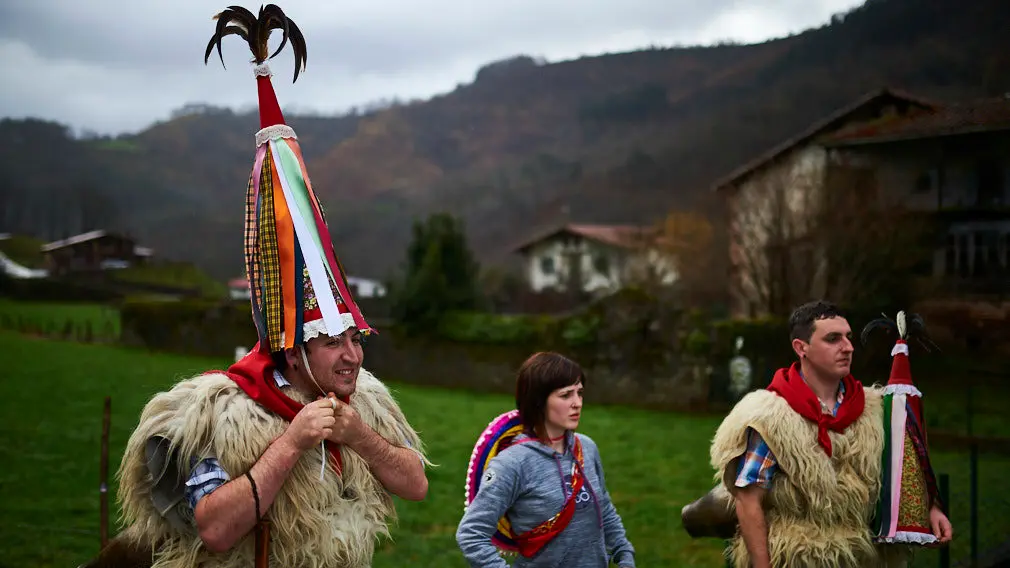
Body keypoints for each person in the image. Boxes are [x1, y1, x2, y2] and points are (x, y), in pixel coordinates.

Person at [98, 6, 430, 568]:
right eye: (332, 341)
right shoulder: (218, 414)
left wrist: (360, 438)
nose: (353, 354)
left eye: (355, 337)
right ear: (293, 348)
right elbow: (217, 529)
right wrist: (294, 441)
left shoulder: (365, 399)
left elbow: (416, 484)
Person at [706, 300, 952, 568]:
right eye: (833, 339)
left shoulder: (875, 408)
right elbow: (748, 499)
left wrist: (932, 508)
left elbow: (902, 469)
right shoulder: (770, 416)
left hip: (863, 558)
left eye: (848, 337)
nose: (847, 347)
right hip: (797, 558)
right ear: (802, 348)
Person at [455, 352, 636, 568]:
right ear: (539, 401)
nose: (577, 403)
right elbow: (471, 534)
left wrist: (623, 551)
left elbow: (603, 506)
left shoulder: (586, 447)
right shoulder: (512, 463)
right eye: (566, 395)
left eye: (580, 393)